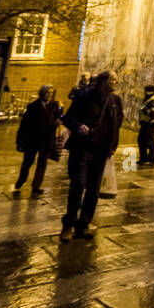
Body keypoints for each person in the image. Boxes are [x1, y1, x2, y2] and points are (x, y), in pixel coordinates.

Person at [60, 70, 123, 242]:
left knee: (93, 190)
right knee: (78, 185)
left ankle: (84, 223)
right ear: (103, 82)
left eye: (116, 80)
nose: (116, 83)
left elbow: (118, 123)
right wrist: (78, 126)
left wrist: (112, 146)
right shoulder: (83, 97)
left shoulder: (115, 101)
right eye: (113, 80)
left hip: (101, 152)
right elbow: (67, 119)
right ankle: (68, 224)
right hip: (82, 150)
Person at [15, 85, 62, 195]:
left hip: (47, 140)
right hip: (33, 139)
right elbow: (24, 124)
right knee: (28, 161)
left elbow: (59, 116)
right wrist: (19, 140)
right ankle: (21, 179)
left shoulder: (54, 105)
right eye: (47, 92)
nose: (49, 95)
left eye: (50, 93)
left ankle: (36, 185)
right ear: (41, 93)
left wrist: (58, 121)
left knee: (42, 164)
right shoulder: (32, 106)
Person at [138, 84, 154, 166]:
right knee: (141, 140)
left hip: (150, 123)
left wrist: (145, 109)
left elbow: (152, 113)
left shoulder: (153, 100)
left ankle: (151, 159)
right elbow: (141, 107)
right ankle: (143, 158)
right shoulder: (147, 99)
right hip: (146, 122)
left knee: (149, 141)